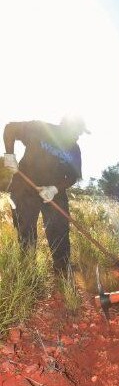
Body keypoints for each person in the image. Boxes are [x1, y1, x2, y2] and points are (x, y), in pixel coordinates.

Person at [3, 115, 89, 275]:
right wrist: (9, 155)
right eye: (77, 131)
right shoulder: (41, 128)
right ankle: (28, 271)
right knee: (25, 230)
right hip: (24, 187)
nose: (78, 135)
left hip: (54, 193)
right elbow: (10, 128)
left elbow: (73, 177)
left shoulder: (74, 149)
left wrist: (55, 189)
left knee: (59, 229)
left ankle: (62, 268)